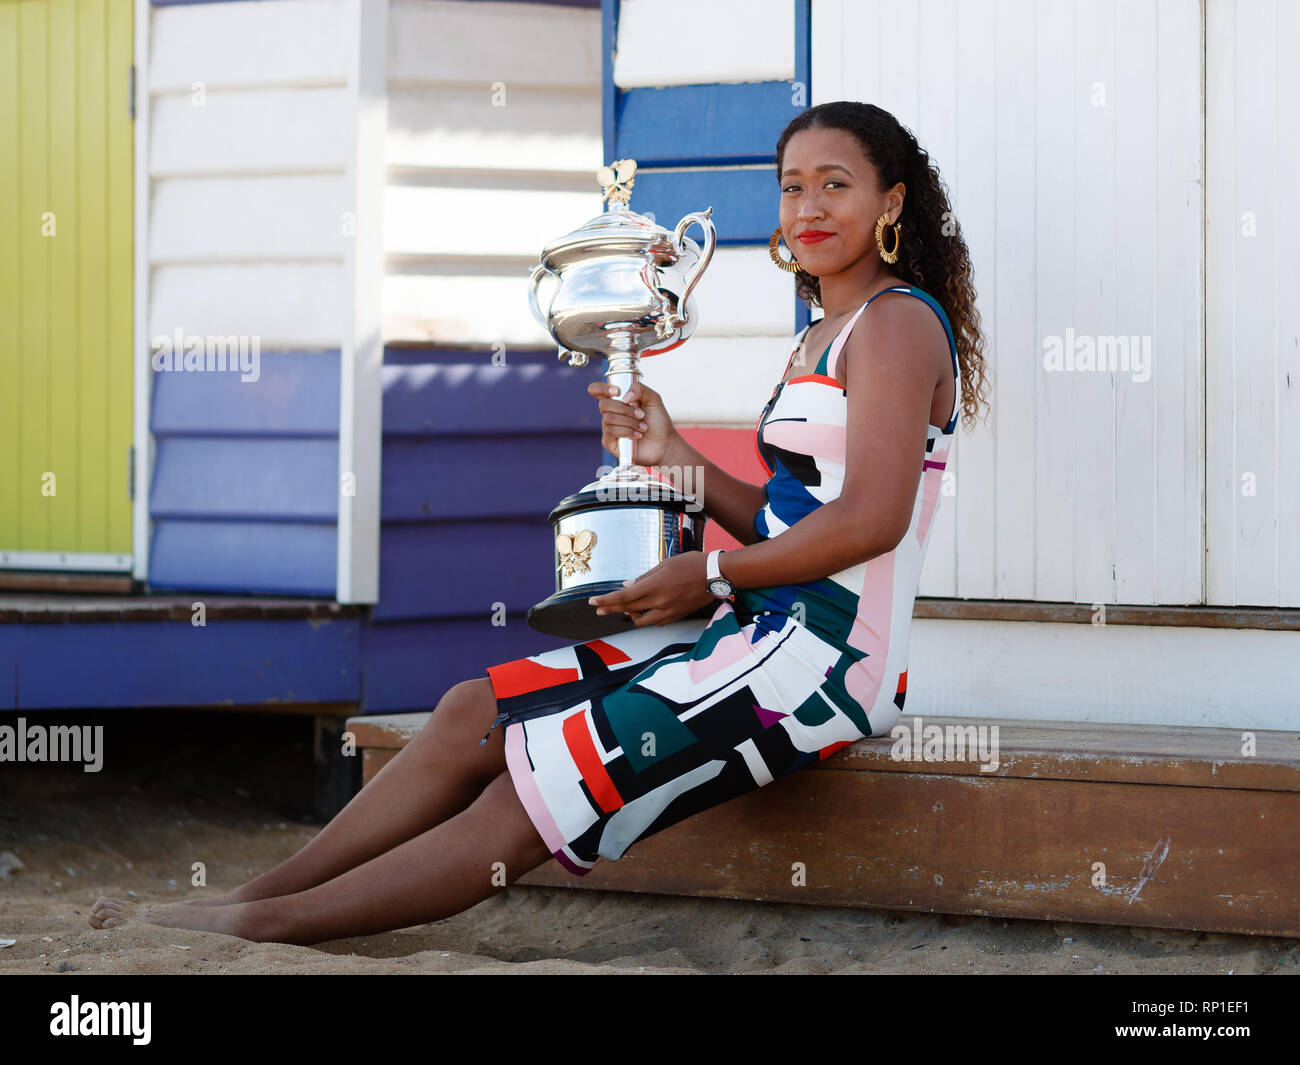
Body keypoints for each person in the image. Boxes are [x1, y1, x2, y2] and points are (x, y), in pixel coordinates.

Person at [89, 100, 988, 946]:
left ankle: (267, 932)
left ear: (891, 201)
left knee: (523, 796)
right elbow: (785, 520)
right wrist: (673, 451)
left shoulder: (897, 325)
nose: (809, 207)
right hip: (754, 624)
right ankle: (258, 895)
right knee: (472, 712)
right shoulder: (816, 337)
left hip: (824, 663)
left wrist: (706, 577)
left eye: (836, 183)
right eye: (792, 185)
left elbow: (873, 519)